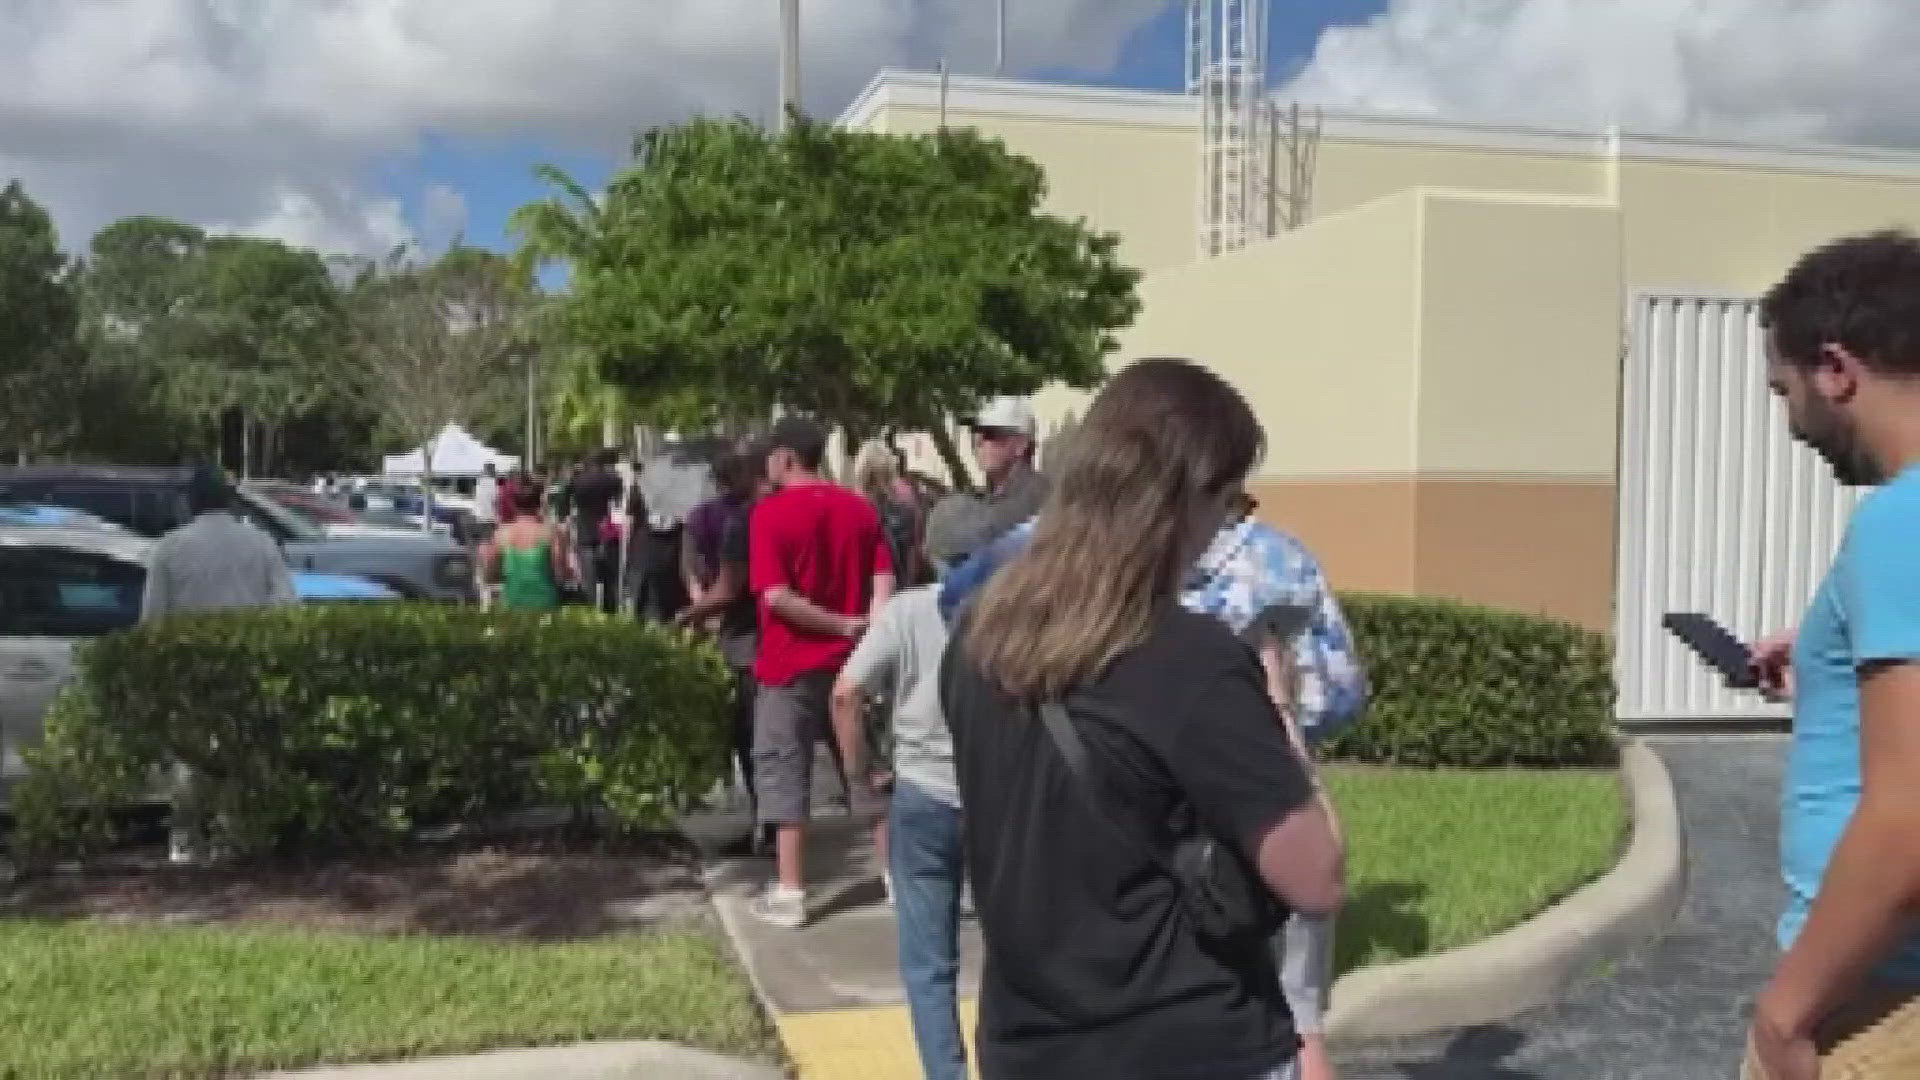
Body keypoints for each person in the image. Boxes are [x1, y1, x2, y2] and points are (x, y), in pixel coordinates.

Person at [940, 357, 1344, 1080]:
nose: (1226, 524)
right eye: (1227, 500)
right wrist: (1279, 707)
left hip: (1026, 1046)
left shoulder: (978, 640)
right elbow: (1315, 877)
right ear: (1180, 501)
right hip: (1187, 1044)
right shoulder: (1189, 662)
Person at [1739, 231, 1920, 1080]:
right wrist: (1832, 657)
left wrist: (1785, 1014)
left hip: (1880, 1000)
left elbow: (1909, 817)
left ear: (1836, 370)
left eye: (1785, 390)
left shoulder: (1900, 522)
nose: (1787, 418)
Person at [831, 493, 995, 1080]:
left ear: (929, 552)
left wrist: (860, 774)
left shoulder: (906, 613)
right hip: (998, 799)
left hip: (923, 795)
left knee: (930, 965)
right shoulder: (1017, 615)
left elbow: (846, 694)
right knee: (1011, 951)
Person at [747, 416, 896, 929]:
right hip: (852, 666)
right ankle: (897, 877)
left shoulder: (769, 515)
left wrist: (836, 623)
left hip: (789, 666)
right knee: (865, 770)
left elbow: (777, 596)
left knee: (785, 771)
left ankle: (790, 892)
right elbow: (884, 582)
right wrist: (866, 634)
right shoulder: (860, 510)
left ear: (785, 458)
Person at [675, 449, 771, 826]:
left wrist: (698, 609)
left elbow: (692, 570)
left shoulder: (702, 518)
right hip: (764, 626)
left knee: (737, 726)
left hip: (731, 631)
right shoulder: (765, 512)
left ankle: (745, 800)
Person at [143, 464, 298, 620]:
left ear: (191, 501)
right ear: (230, 500)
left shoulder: (169, 547)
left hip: (189, 641)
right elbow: (286, 602)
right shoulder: (262, 542)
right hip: (249, 640)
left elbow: (153, 615)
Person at [480, 485, 574, 612]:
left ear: (513, 505)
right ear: (540, 504)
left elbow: (490, 574)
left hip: (512, 600)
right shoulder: (551, 533)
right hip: (545, 601)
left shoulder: (502, 533)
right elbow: (561, 571)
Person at [965, 396, 1047, 540]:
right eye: (976, 433)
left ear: (1020, 445)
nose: (979, 441)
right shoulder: (991, 496)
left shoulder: (1037, 497)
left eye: (990, 434)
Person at [853, 441, 925, 589]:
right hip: (898, 589)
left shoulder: (852, 509)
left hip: (864, 591)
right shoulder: (906, 506)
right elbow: (914, 554)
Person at [567, 450, 625, 613]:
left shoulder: (577, 481)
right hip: (609, 533)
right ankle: (610, 613)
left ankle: (591, 613)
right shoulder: (614, 480)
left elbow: (567, 506)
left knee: (589, 581)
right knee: (610, 580)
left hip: (585, 534)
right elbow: (619, 505)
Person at [472, 462, 501, 543]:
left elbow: (477, 499)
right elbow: (496, 501)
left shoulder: (479, 483)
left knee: (483, 541)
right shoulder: (495, 484)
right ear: (493, 471)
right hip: (490, 517)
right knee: (491, 540)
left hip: (480, 516)